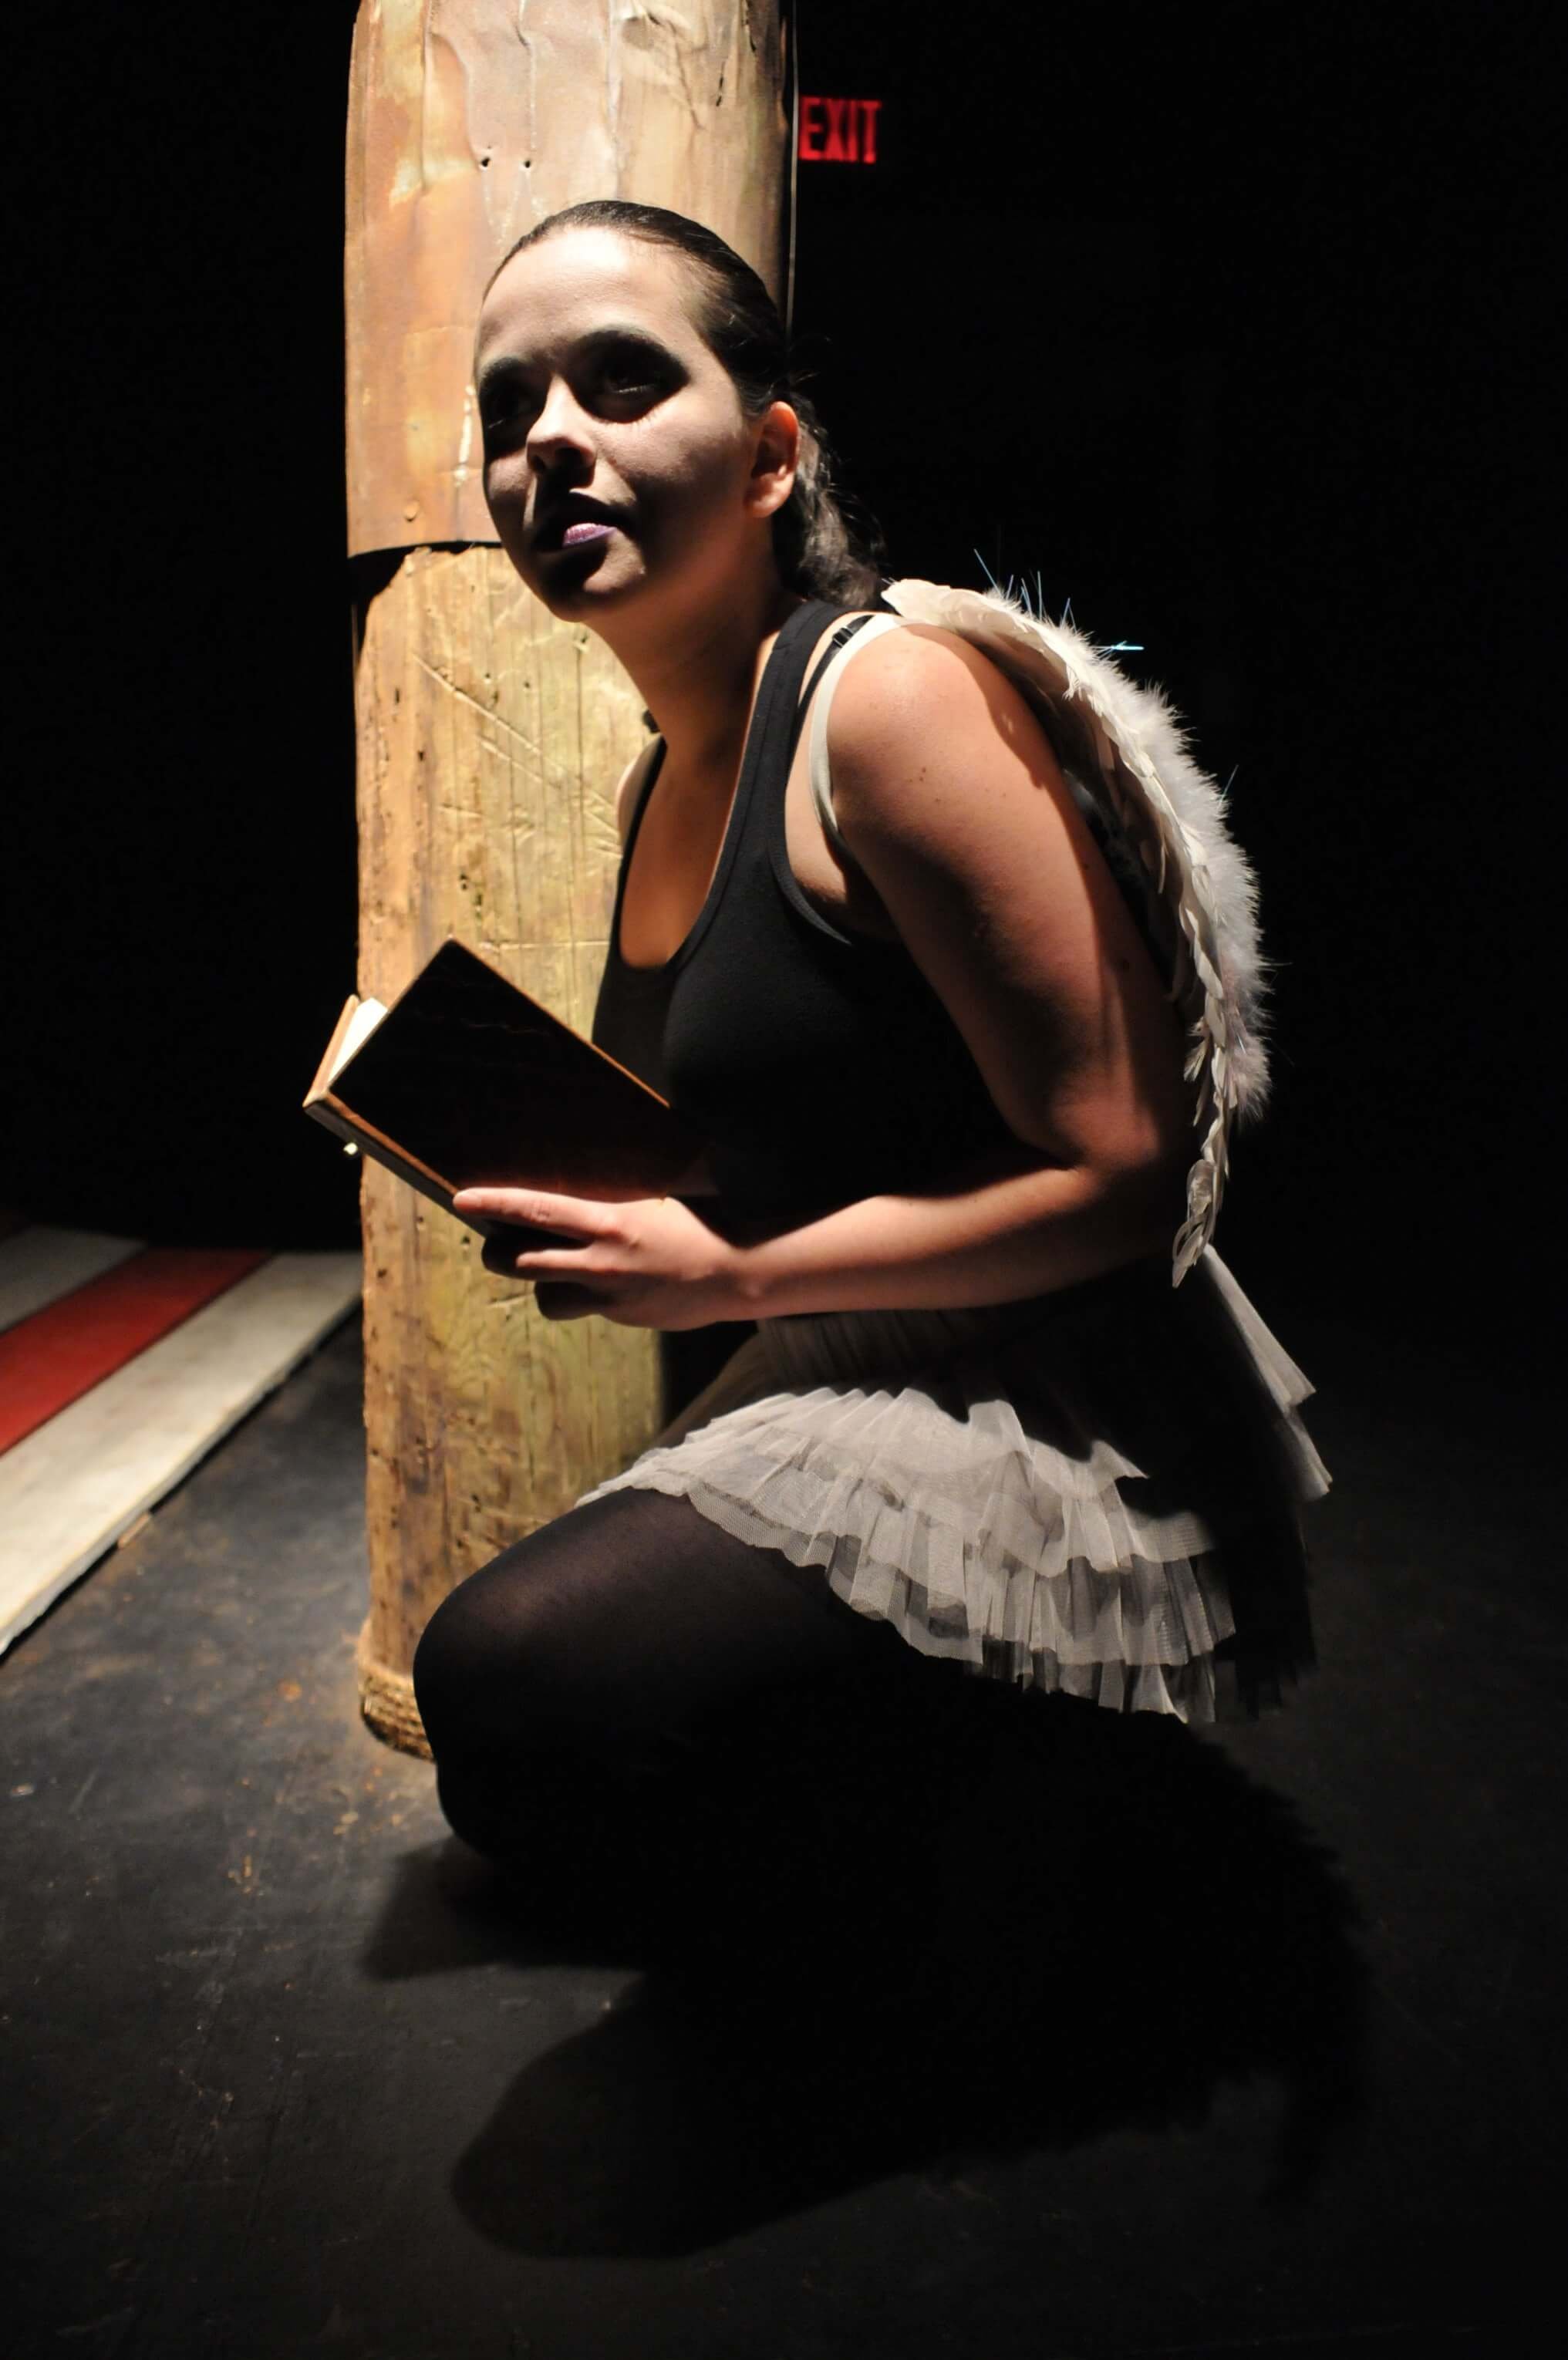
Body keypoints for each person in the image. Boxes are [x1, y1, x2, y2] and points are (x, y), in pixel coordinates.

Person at [410, 201, 1330, 1920]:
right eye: (508, 408)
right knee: (509, 1777)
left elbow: (1125, 1174)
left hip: (1038, 1391)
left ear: (768, 456)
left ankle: (1026, 1790)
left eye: (621, 382)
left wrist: (734, 1268)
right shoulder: (655, 779)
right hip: (835, 1352)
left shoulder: (885, 701)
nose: (552, 442)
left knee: (509, 1685)